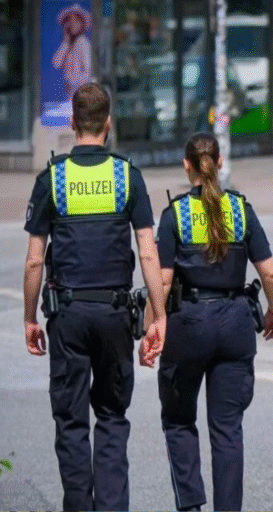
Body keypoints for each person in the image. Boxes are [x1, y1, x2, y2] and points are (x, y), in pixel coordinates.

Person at [23, 82, 167, 511]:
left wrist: (29, 318)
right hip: (115, 314)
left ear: (72, 123)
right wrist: (159, 315)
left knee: (70, 421)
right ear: (108, 124)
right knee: (111, 416)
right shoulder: (127, 175)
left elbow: (34, 261)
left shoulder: (52, 178)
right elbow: (147, 251)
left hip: (66, 315)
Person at [146, 132, 273, 511]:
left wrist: (152, 324)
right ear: (219, 162)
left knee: (178, 420)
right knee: (227, 431)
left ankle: (190, 505)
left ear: (186, 165)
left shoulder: (175, 215)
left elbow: (164, 280)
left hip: (188, 326)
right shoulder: (241, 210)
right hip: (235, 325)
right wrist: (272, 313)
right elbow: (269, 273)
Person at [52, 4, 92, 100]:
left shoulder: (82, 42)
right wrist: (66, 41)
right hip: (72, 94)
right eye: (70, 21)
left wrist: (74, 83)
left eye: (76, 21)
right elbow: (56, 63)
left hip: (81, 93)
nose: (73, 24)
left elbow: (88, 71)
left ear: (82, 24)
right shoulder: (68, 44)